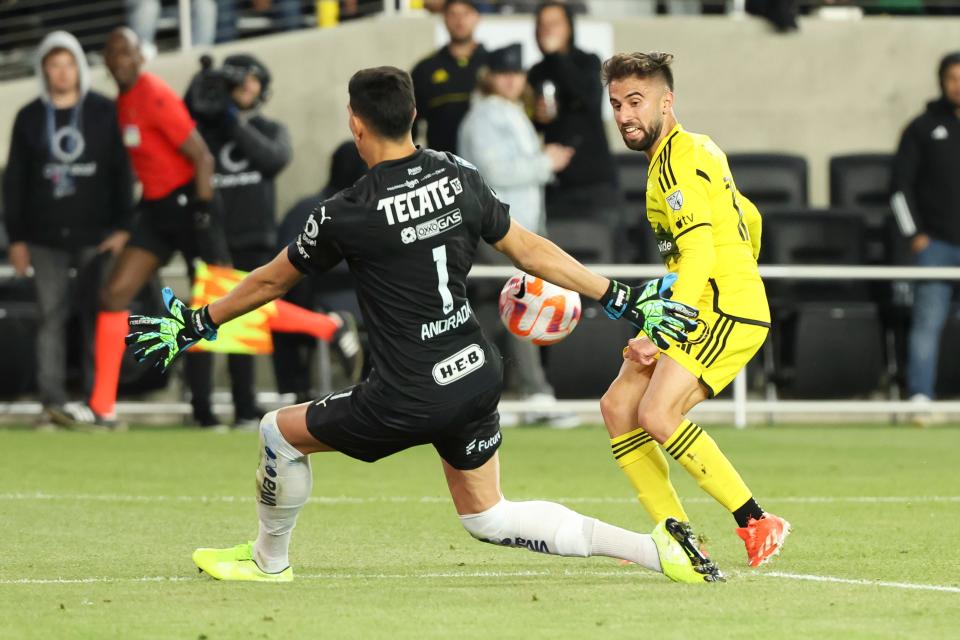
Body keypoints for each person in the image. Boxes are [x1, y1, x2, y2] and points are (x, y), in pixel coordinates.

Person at [125, 65, 722, 585]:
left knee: (277, 433)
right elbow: (529, 249)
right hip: (473, 373)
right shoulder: (457, 177)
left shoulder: (344, 213)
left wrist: (195, 322)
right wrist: (617, 296)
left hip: (406, 393)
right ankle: (656, 548)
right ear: (413, 114)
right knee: (489, 517)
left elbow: (269, 282)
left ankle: (267, 561)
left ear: (355, 123)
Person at [599, 52, 790, 568]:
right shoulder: (689, 149)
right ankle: (675, 535)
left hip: (724, 308)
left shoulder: (678, 160)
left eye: (636, 102)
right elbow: (746, 214)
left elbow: (702, 252)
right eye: (616, 104)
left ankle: (756, 521)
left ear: (667, 100)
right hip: (704, 299)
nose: (624, 115)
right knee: (619, 407)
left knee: (656, 413)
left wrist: (663, 331)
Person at [86, 27, 229, 427]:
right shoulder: (124, 101)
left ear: (140, 57)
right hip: (157, 210)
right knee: (114, 293)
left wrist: (201, 214)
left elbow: (202, 158)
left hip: (191, 205)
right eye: (112, 53)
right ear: (106, 61)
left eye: (127, 52)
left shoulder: (154, 94)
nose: (120, 60)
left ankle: (327, 328)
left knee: (226, 301)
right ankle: (102, 407)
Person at [2, 31, 133, 428]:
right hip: (43, 239)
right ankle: (52, 405)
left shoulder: (104, 111)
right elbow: (15, 184)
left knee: (100, 315)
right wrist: (18, 239)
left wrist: (123, 227)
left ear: (79, 67)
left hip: (98, 237)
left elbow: (121, 172)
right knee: (50, 316)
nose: (61, 72)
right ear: (44, 70)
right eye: (53, 65)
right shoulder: (28, 116)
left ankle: (99, 403)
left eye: (68, 64)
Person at [457, 43, 577, 426]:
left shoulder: (512, 113)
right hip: (495, 230)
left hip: (519, 229)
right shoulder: (482, 118)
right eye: (503, 72)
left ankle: (479, 393)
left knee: (496, 309)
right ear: (489, 75)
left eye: (517, 73)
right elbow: (492, 174)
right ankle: (534, 393)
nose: (511, 79)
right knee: (524, 301)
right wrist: (546, 162)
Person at [185, 53, 293, 428]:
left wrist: (233, 121)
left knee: (245, 323)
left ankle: (244, 407)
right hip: (212, 238)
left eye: (252, 80)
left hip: (255, 239)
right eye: (237, 80)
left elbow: (272, 159)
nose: (246, 87)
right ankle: (201, 409)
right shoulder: (203, 131)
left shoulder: (270, 128)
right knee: (202, 324)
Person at [891, 51, 960, 419]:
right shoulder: (921, 128)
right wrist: (915, 235)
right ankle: (921, 399)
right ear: (942, 81)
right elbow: (899, 189)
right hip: (937, 246)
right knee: (927, 323)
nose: (959, 85)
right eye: (953, 78)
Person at [273, 141, 368, 403]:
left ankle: (295, 391)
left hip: (312, 306)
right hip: (371, 307)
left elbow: (282, 265)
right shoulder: (372, 211)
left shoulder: (305, 210)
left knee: (279, 315)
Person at [526, 1, 619, 226]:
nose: (548, 30)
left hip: (595, 180)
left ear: (569, 27)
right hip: (557, 182)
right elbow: (529, 128)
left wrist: (556, 56)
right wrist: (537, 118)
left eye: (555, 23)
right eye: (543, 24)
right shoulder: (535, 72)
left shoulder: (588, 61)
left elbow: (588, 98)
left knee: (607, 249)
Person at [411, 0, 487, 154]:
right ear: (443, 17)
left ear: (477, 17)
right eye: (453, 13)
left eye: (465, 13)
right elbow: (408, 126)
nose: (459, 20)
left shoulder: (493, 66)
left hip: (489, 171)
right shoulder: (425, 69)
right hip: (442, 170)